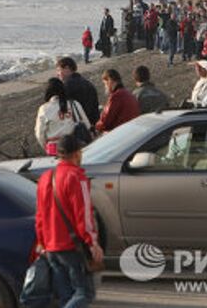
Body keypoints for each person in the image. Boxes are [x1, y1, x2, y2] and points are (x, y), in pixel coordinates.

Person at [35, 132, 103, 308]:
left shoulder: (45, 178)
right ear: (76, 153)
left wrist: (42, 242)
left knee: (67, 296)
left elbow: (40, 215)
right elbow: (84, 215)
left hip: (50, 247)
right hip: (71, 247)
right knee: (85, 293)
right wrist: (92, 242)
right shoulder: (77, 177)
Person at [35, 78, 91, 156]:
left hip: (54, 148)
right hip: (74, 145)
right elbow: (87, 125)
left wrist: (45, 146)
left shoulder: (44, 109)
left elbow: (39, 133)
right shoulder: (74, 104)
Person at [56, 57, 100, 127]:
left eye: (59, 70)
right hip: (94, 120)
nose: (57, 74)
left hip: (81, 126)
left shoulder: (67, 86)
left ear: (67, 68)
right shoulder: (87, 82)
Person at [95, 69, 140, 134]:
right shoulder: (128, 94)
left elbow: (105, 121)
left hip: (121, 134)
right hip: (133, 131)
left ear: (110, 80)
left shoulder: (116, 97)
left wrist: (96, 127)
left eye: (105, 84)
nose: (105, 87)